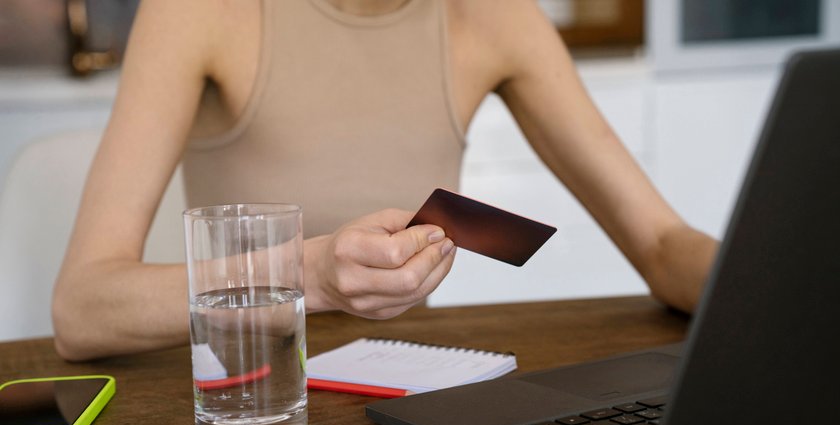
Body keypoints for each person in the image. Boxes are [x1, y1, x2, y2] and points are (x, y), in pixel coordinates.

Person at [52, 0, 718, 361]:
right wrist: (308, 274)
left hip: (412, 391)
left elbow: (661, 244)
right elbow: (81, 310)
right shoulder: (200, 13)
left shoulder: (497, 17)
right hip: (246, 400)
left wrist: (787, 284)